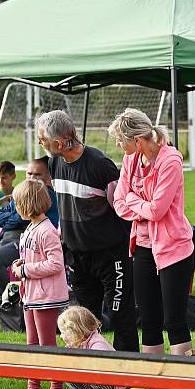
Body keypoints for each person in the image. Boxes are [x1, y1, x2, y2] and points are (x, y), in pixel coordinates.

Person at [37, 110, 139, 353]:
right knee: (83, 320)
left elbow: (123, 210)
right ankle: (92, 380)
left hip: (110, 255)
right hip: (78, 257)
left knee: (119, 317)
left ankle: (128, 379)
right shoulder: (53, 162)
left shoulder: (100, 165)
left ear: (59, 143)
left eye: (42, 138)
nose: (40, 143)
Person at [111, 108, 194, 356]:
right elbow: (118, 202)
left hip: (174, 248)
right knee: (149, 320)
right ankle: (153, 386)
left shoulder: (170, 161)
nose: (117, 144)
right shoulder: (130, 160)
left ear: (137, 140)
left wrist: (132, 199)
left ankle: (181, 382)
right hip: (143, 247)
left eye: (120, 139)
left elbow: (157, 210)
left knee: (174, 321)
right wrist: (140, 206)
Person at [11, 178, 68, 389]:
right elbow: (33, 257)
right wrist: (21, 264)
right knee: (31, 343)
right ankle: (33, 388)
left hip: (46, 297)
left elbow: (55, 264)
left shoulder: (48, 231)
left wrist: (26, 270)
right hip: (30, 296)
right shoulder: (30, 229)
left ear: (26, 205)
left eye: (17, 204)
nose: (16, 208)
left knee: (47, 344)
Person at [0, 158, 59, 307]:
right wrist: (14, 217)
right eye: (29, 173)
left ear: (49, 177)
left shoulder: (44, 195)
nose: (32, 178)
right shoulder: (22, 191)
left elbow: (21, 218)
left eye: (37, 175)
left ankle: (10, 302)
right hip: (7, 237)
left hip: (29, 242)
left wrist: (13, 217)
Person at [57, 306, 118, 389]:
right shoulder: (77, 344)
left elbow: (102, 370)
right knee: (66, 368)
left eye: (63, 332)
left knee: (89, 372)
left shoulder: (97, 344)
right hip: (97, 384)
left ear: (75, 331)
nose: (61, 336)